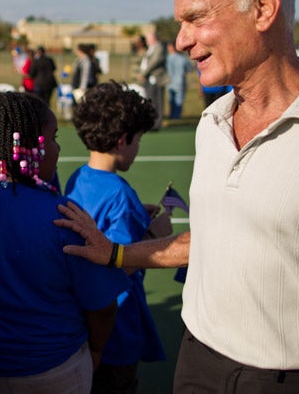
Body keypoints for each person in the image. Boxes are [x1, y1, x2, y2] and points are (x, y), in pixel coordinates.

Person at [57, 0, 299, 393]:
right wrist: (117, 254)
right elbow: (215, 236)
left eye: (196, 18)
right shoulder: (212, 123)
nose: (181, 40)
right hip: (198, 364)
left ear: (262, 9)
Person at [0, 92, 130, 394]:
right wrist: (96, 350)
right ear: (32, 148)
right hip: (54, 370)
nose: (58, 147)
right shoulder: (66, 218)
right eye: (53, 138)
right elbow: (101, 306)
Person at [65, 81, 169, 394]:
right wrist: (155, 234)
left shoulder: (77, 177)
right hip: (115, 326)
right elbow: (120, 263)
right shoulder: (121, 195)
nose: (138, 148)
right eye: (137, 140)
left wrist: (139, 216)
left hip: (82, 321)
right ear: (123, 140)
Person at [137, 32, 168, 130]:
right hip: (149, 80)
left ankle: (157, 124)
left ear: (153, 38)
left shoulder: (159, 48)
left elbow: (155, 61)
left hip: (156, 79)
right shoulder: (151, 48)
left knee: (157, 102)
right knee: (151, 101)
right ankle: (151, 123)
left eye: (148, 39)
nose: (147, 41)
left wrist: (144, 73)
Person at [165, 41, 193, 119]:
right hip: (180, 82)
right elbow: (190, 68)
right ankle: (176, 116)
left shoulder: (167, 59)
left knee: (171, 100)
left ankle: (172, 115)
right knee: (179, 100)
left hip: (170, 82)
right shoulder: (182, 58)